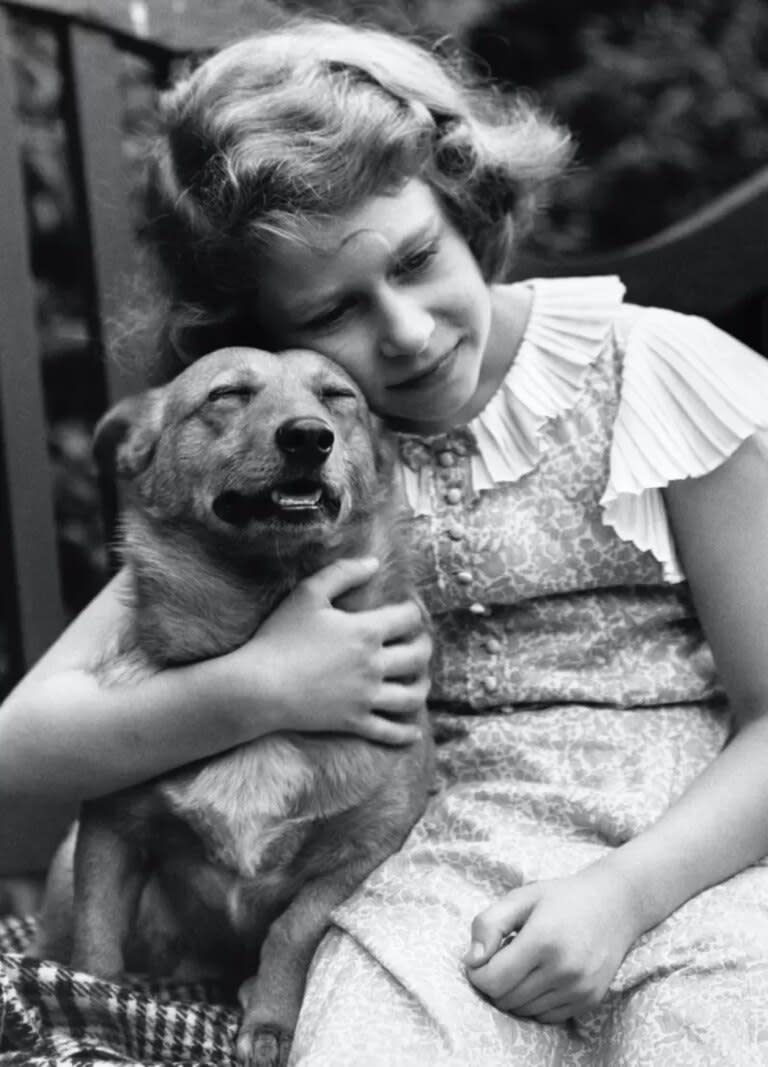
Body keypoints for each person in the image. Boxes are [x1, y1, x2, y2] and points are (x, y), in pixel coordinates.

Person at [3, 15, 768, 1067]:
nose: (404, 332)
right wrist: (258, 686)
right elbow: (23, 740)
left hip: (691, 854)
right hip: (428, 870)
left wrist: (625, 893)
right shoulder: (300, 466)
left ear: (468, 207)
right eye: (331, 311)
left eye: (416, 258)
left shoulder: (656, 375)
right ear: (259, 327)